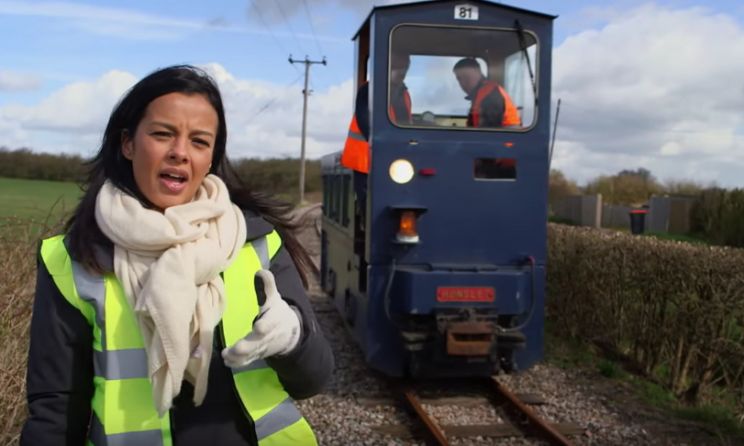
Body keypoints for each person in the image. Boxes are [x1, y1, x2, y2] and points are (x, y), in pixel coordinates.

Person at [21, 65, 333, 446]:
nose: (180, 153)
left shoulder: (256, 242)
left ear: (211, 156)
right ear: (128, 143)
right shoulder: (72, 259)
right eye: (162, 134)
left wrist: (293, 339)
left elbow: (314, 379)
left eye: (199, 141)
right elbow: (55, 410)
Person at [341, 52, 412, 231]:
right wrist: (380, 144)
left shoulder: (403, 93)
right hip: (363, 157)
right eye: (397, 68)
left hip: (391, 159)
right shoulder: (369, 89)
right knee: (368, 202)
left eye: (404, 69)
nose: (401, 72)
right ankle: (369, 231)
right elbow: (365, 120)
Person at [452, 57, 521, 128]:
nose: (463, 83)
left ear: (478, 71)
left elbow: (488, 133)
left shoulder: (491, 96)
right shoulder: (479, 95)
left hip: (507, 137)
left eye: (466, 76)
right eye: (459, 79)